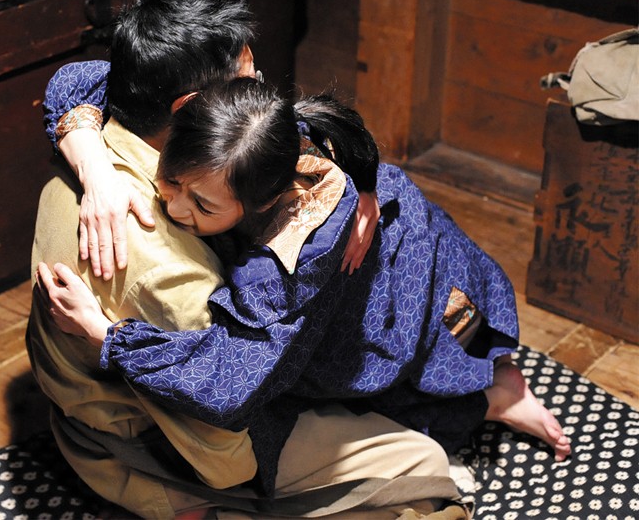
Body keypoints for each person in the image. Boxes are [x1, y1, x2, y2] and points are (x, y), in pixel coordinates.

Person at [28, 0, 466, 518]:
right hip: (148, 444)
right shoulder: (168, 257)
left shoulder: (113, 129)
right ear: (192, 107)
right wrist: (110, 339)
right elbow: (227, 435)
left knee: (419, 265)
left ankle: (487, 374)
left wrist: (365, 184)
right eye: (246, 76)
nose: (259, 85)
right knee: (428, 467)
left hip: (140, 400)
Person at [40, 78, 572, 471]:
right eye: (171, 180)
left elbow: (232, 381)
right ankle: (494, 380)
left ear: (264, 200)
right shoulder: (241, 120)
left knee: (420, 383)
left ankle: (498, 395)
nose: (174, 208)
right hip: (394, 239)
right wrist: (96, 169)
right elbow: (95, 75)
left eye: (202, 205)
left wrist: (109, 338)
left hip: (407, 287)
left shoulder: (285, 267)